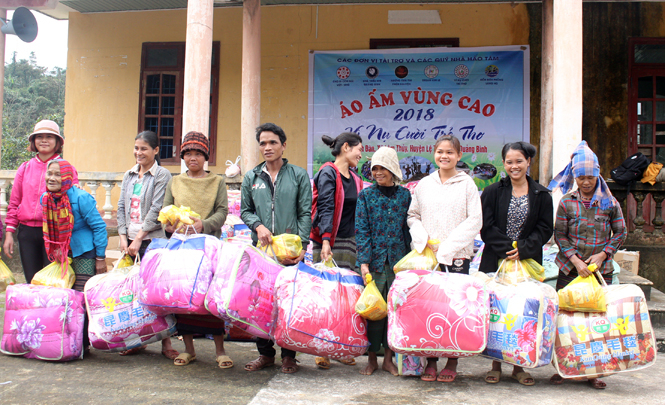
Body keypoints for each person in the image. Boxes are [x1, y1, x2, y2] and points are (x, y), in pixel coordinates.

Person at [548, 141, 626, 390]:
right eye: (580, 177)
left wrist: (604, 254)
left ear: (598, 175)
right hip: (569, 270)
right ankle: (564, 368)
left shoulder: (610, 203)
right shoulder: (567, 202)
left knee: (597, 323)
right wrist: (575, 260)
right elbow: (559, 235)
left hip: (600, 273)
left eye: (591, 177)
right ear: (574, 177)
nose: (586, 182)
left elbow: (621, 232)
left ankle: (595, 370)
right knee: (566, 322)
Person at [407, 135, 482, 382]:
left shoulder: (467, 184)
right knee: (428, 309)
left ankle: (452, 360)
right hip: (428, 258)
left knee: (454, 311)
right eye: (440, 152)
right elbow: (413, 215)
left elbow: (475, 221)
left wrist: (448, 248)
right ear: (434, 154)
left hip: (457, 256)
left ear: (459, 155)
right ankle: (430, 360)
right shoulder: (424, 184)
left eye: (450, 152)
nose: (444, 156)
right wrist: (421, 237)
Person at [479, 142, 553, 386]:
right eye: (509, 162)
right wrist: (509, 248)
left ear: (528, 162)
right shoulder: (492, 192)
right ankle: (495, 363)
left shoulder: (542, 194)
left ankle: (518, 365)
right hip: (496, 259)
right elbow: (486, 227)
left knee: (522, 313)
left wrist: (522, 249)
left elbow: (544, 229)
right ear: (504, 164)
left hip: (527, 261)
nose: (514, 166)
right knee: (497, 312)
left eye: (519, 161)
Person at [241, 123, 312, 374]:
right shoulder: (251, 177)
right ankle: (265, 354)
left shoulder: (298, 175)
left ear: (283, 145)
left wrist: (302, 245)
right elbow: (245, 211)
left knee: (288, 303)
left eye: (272, 142)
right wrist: (258, 226)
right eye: (262, 143)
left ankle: (289, 356)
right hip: (261, 252)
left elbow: (305, 212)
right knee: (261, 304)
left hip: (289, 253)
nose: (267, 147)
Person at [162, 131, 231, 368]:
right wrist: (170, 226)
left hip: (208, 247)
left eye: (198, 153)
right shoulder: (175, 181)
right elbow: (166, 211)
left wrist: (204, 224)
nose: (193, 158)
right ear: (182, 157)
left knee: (210, 298)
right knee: (185, 298)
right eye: (188, 153)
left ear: (206, 156)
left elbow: (222, 211)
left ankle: (220, 350)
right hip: (181, 249)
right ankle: (188, 349)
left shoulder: (217, 181)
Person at [115, 131, 178, 360]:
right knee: (131, 294)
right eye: (136, 148)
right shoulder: (129, 175)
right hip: (129, 241)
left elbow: (157, 208)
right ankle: (137, 340)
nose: (138, 153)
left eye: (143, 148)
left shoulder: (162, 175)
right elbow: (121, 206)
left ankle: (166, 342)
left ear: (155, 151)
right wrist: (123, 237)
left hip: (152, 240)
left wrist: (139, 238)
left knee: (156, 292)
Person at [355, 147, 411, 376]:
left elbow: (409, 230)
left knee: (394, 311)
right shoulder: (366, 196)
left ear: (392, 169)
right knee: (373, 312)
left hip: (399, 263)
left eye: (383, 168)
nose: (378, 172)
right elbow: (362, 229)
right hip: (375, 263)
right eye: (375, 168)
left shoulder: (405, 195)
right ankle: (371, 359)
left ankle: (388, 359)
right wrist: (364, 261)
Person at [310, 132, 364, 370]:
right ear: (345, 148)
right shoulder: (328, 172)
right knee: (325, 295)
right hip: (327, 241)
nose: (361, 154)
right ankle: (322, 349)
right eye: (358, 149)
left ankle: (340, 347)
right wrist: (325, 240)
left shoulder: (356, 177)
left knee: (345, 299)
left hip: (349, 242)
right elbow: (325, 205)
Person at [42, 159, 107, 351]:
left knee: (80, 299)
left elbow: (99, 227)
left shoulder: (80, 198)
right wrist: (55, 251)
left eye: (58, 174)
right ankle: (64, 342)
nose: (52, 178)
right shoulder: (45, 198)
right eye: (49, 173)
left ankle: (82, 344)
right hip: (61, 255)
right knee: (63, 299)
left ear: (68, 178)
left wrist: (100, 258)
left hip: (85, 253)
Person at [4, 120, 78, 283]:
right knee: (32, 281)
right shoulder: (25, 168)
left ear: (58, 142)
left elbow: (73, 204)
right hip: (27, 232)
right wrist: (9, 233)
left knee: (52, 283)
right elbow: (14, 202)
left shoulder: (67, 169)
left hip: (54, 232)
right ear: (33, 141)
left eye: (49, 137)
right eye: (40, 137)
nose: (44, 140)